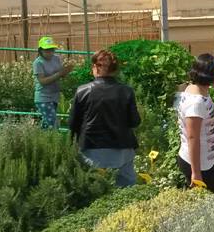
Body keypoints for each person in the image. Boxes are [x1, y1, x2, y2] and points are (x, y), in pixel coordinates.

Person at [69, 49, 140, 187]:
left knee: (95, 190)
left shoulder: (83, 91)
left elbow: (73, 124)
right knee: (127, 190)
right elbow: (134, 121)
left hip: (91, 149)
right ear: (115, 70)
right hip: (123, 147)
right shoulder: (126, 91)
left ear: (95, 67)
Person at [175, 53, 214, 191]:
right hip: (201, 165)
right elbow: (193, 138)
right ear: (211, 75)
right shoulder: (195, 103)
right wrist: (196, 173)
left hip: (211, 157)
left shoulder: (199, 90)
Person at [33, 36, 73, 130]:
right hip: (43, 97)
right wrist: (59, 74)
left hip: (54, 95)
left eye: (52, 49)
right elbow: (42, 81)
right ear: (40, 51)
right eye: (47, 50)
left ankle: (43, 142)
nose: (50, 52)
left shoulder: (56, 59)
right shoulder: (38, 63)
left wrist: (66, 71)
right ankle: (53, 142)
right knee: (53, 122)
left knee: (47, 124)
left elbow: (61, 73)